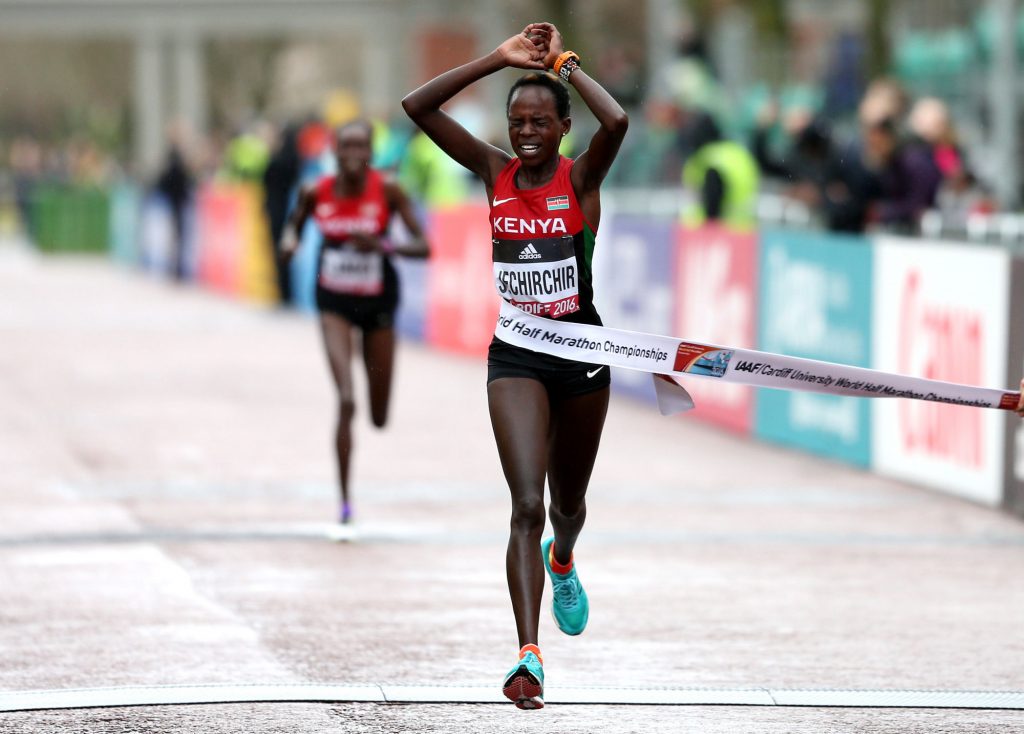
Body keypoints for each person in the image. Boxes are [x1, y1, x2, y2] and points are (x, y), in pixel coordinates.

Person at [403, 22, 627, 709]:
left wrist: (563, 63)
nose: (527, 131)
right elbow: (418, 107)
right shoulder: (491, 170)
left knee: (567, 506)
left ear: (562, 125)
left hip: (582, 357)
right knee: (525, 504)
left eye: (540, 121)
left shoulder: (579, 176)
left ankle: (564, 560)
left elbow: (616, 119)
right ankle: (527, 655)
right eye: (516, 121)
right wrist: (495, 59)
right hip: (517, 357)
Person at [281, 120, 430, 525]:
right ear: (333, 149)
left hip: (379, 302)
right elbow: (291, 228)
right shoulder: (315, 192)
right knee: (346, 399)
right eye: (345, 146)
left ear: (370, 152)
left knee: (378, 416)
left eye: (360, 147)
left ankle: (372, 417)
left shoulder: (388, 190)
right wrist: (289, 245)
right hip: (333, 302)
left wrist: (383, 244)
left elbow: (423, 245)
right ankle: (345, 502)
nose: (352, 154)